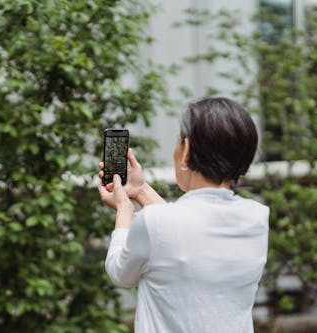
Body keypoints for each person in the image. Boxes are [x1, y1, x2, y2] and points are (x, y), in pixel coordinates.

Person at [98, 97, 269, 333]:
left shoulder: (156, 222)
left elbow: (121, 273)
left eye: (178, 141)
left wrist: (124, 210)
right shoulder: (257, 218)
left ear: (186, 150)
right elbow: (189, 231)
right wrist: (140, 190)